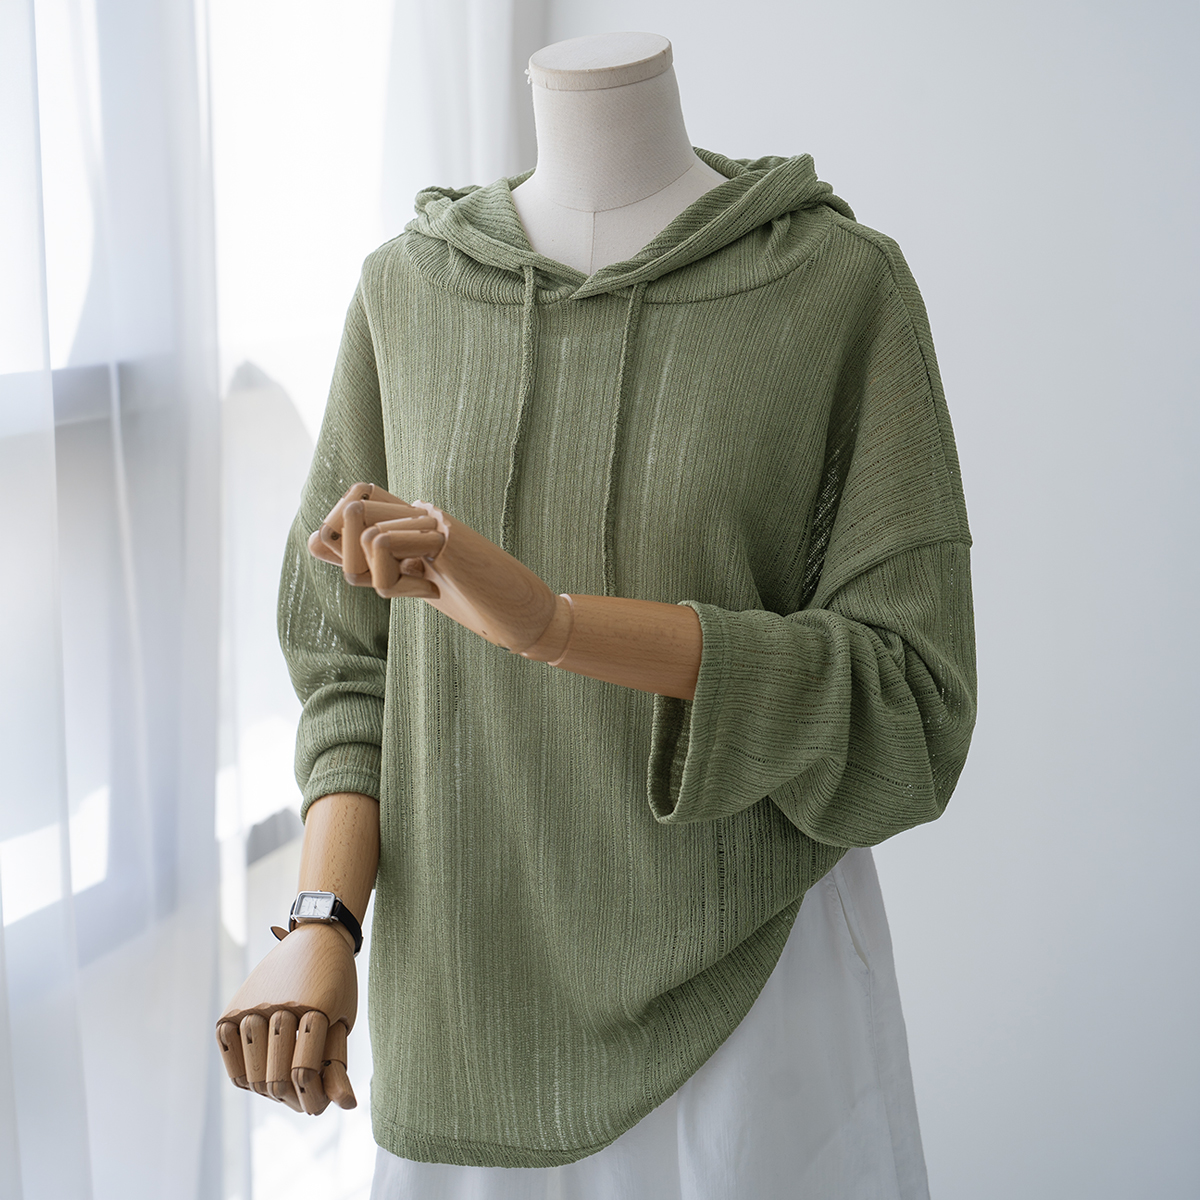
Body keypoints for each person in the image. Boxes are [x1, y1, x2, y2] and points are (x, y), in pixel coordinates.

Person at [217, 31, 976, 1200]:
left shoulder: (836, 287)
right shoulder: (405, 294)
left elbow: (912, 707)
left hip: (758, 1015)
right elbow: (351, 667)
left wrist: (556, 626)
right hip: (463, 1013)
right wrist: (324, 920)